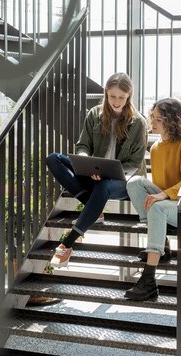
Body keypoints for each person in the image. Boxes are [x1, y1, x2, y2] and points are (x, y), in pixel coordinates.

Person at [46, 72, 148, 268]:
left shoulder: (139, 123)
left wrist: (108, 175)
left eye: (121, 97)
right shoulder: (94, 114)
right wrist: (85, 162)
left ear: (129, 96)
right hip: (95, 174)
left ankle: (67, 244)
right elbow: (83, 145)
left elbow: (134, 164)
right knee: (53, 159)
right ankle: (94, 208)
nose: (116, 101)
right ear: (106, 93)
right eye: (112, 96)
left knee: (103, 185)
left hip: (124, 181)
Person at [124, 98, 181, 301]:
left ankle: (148, 280)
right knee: (135, 183)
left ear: (172, 121)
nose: (152, 123)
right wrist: (161, 195)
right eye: (152, 117)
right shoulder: (155, 148)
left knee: (157, 207)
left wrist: (163, 195)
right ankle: (161, 245)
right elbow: (160, 185)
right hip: (167, 201)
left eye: (158, 119)